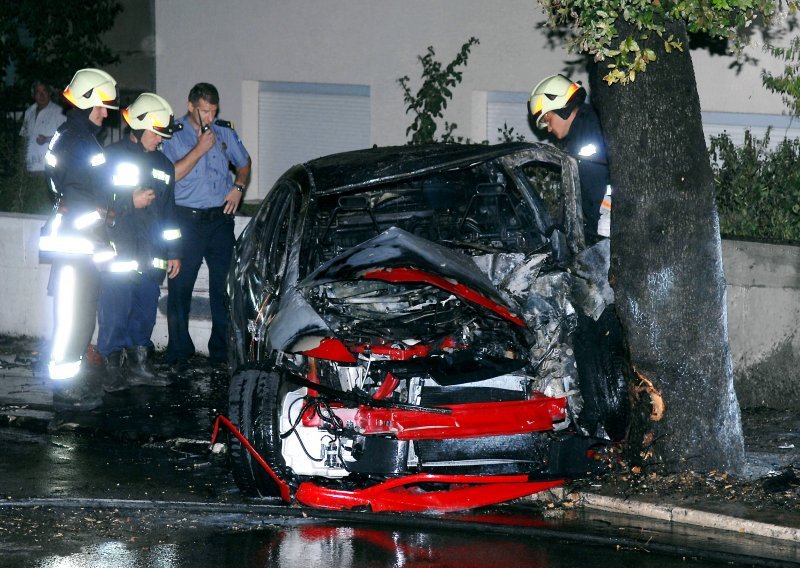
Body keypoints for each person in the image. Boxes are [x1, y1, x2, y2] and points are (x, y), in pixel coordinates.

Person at [39, 68, 152, 411]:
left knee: (81, 315)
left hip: (80, 242)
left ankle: (69, 383)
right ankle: (63, 389)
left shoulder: (75, 136)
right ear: (87, 102)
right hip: (78, 244)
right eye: (101, 105)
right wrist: (100, 235)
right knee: (74, 318)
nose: (106, 112)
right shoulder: (77, 142)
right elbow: (81, 201)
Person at [161, 82, 251, 370]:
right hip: (186, 221)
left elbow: (244, 163)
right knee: (180, 289)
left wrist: (238, 186)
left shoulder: (224, 131)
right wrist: (199, 149)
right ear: (190, 107)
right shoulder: (173, 134)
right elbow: (169, 177)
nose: (210, 118)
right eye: (204, 111)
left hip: (219, 220)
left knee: (225, 288)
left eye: (213, 111)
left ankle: (221, 351)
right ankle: (178, 351)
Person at [99, 93, 183, 392]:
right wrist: (128, 201)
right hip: (118, 254)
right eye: (155, 133)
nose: (160, 140)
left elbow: (169, 211)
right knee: (115, 311)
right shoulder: (109, 158)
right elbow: (97, 204)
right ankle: (111, 368)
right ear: (137, 127)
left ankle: (139, 366)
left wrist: (173, 251)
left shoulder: (164, 165)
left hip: (152, 256)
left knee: (145, 312)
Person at [529, 74, 612, 243]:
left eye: (548, 119)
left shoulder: (593, 128)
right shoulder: (580, 135)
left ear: (561, 107)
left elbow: (603, 183)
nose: (549, 129)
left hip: (610, 225)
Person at [19, 81, 65, 174]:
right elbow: (24, 136)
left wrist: (47, 139)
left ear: (49, 93)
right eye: (38, 92)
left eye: (44, 91)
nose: (42, 95)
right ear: (33, 95)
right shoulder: (29, 112)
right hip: (29, 166)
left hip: (48, 168)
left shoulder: (58, 112)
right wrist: (21, 159)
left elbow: (66, 137)